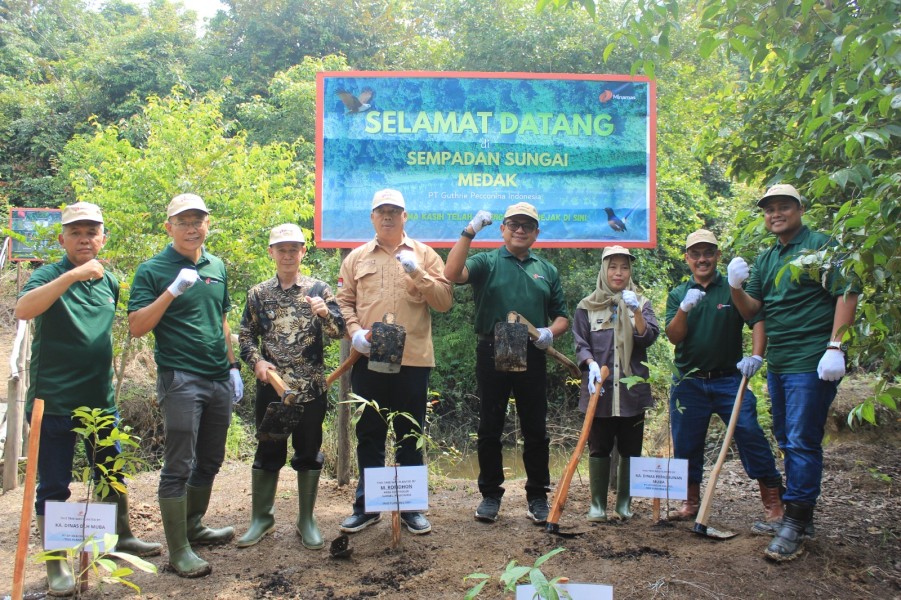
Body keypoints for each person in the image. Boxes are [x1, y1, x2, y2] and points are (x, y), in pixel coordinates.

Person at [16, 202, 160, 596]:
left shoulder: (110, 282)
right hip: (53, 403)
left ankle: (121, 537)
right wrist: (74, 275)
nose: (84, 238)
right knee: (54, 485)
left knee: (111, 474)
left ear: (102, 237)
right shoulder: (48, 274)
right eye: (75, 232)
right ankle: (56, 564)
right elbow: (24, 310)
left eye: (91, 232)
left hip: (99, 402)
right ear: (62, 238)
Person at [727, 184, 859, 562]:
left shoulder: (822, 246)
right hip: (780, 362)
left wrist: (836, 346)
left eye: (784, 207)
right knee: (786, 436)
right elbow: (753, 311)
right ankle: (799, 516)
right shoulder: (768, 258)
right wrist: (736, 286)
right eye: (769, 209)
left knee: (801, 439)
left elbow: (847, 291)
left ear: (800, 209)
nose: (775, 214)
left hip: (812, 360)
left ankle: (796, 523)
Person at [128, 193, 243, 578]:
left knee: (210, 459)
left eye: (199, 220)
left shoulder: (217, 265)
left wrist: (232, 366)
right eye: (184, 221)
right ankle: (179, 550)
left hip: (217, 378)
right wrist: (172, 290)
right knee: (178, 465)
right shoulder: (153, 269)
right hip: (179, 377)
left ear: (208, 224)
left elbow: (222, 319)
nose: (193, 228)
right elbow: (137, 326)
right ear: (169, 227)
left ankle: (193, 526)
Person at [444, 202, 569, 525]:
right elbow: (452, 274)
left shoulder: (548, 270)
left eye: (527, 225)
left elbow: (562, 317)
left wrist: (548, 332)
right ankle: (490, 495)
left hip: (532, 351)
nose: (520, 230)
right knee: (490, 426)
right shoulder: (488, 262)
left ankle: (538, 496)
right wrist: (469, 232)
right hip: (492, 348)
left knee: (536, 429)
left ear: (536, 233)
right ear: (502, 229)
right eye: (513, 224)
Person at [337, 189, 452, 535]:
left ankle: (411, 508)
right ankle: (368, 506)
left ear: (405, 216)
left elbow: (445, 301)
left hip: (412, 360)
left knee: (410, 432)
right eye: (381, 211)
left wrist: (418, 273)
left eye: (394, 211)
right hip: (368, 359)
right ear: (372, 217)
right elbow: (343, 303)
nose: (387, 216)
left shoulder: (426, 255)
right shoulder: (356, 258)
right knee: (369, 432)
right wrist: (354, 332)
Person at [664, 229, 783, 528]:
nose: (702, 259)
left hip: (730, 378)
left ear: (717, 255)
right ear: (687, 258)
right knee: (686, 442)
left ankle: (773, 500)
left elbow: (757, 320)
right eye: (696, 254)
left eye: (708, 253)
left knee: (750, 432)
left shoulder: (732, 288)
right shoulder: (679, 293)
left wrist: (756, 356)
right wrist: (684, 309)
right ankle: (689, 501)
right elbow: (674, 337)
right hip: (688, 381)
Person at [237, 223, 345, 550]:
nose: (287, 255)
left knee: (309, 453)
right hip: (274, 390)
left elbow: (339, 331)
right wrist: (256, 361)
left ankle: (306, 520)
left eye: (293, 249)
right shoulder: (258, 294)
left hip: (311, 390)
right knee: (269, 451)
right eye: (281, 249)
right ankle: (262, 519)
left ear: (303, 252)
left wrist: (326, 313)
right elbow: (245, 335)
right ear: (271, 252)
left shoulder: (319, 289)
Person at [572, 245, 658, 521]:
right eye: (613, 267)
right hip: (600, 390)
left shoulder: (641, 303)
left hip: (633, 391)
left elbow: (648, 338)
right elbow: (580, 343)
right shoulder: (587, 306)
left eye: (624, 267)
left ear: (630, 271)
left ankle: (624, 504)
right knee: (599, 446)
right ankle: (597, 505)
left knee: (631, 448)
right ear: (603, 270)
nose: (618, 273)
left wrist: (635, 313)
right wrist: (590, 363)